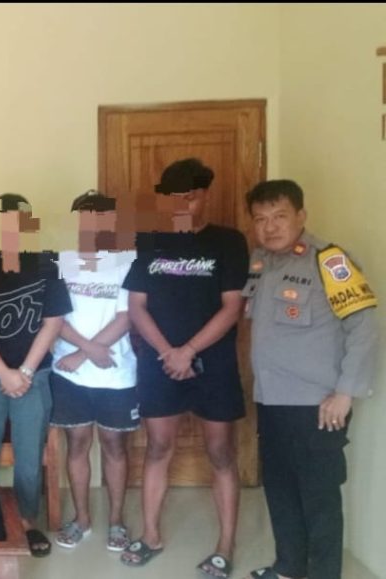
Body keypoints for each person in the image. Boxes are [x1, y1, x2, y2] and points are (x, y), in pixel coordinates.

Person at [120, 158, 248, 579]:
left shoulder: (228, 241)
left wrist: (189, 350)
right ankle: (151, 535)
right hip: (160, 363)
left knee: (221, 453)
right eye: (174, 199)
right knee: (158, 448)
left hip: (214, 363)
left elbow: (233, 307)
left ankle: (225, 546)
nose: (182, 206)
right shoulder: (149, 241)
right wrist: (169, 354)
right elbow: (136, 306)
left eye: (190, 198)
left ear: (205, 195)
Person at [242, 180, 377, 579]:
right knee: (280, 489)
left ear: (301, 216)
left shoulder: (329, 261)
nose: (270, 227)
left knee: (318, 498)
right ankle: (289, 567)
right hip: (271, 399)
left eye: (280, 216)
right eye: (260, 219)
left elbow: (364, 327)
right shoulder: (260, 261)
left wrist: (345, 393)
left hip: (316, 405)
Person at [0, 193, 71, 558]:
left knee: (29, 452)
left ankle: (26, 522)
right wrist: (4, 372)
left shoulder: (47, 263)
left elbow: (54, 322)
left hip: (34, 375)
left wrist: (24, 371)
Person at [50, 190, 138, 552]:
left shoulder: (127, 262)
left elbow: (127, 317)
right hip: (69, 373)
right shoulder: (61, 262)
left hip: (115, 373)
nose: (93, 226)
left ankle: (116, 521)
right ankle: (82, 519)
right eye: (86, 219)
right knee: (77, 444)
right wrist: (84, 353)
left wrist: (84, 354)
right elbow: (54, 317)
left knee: (115, 446)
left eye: (101, 219)